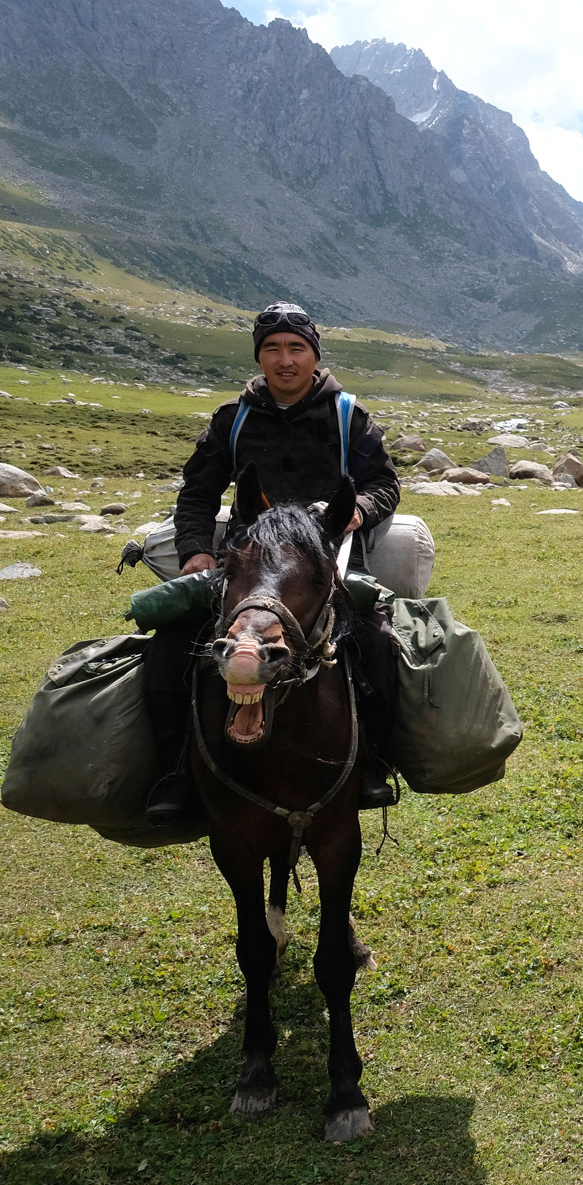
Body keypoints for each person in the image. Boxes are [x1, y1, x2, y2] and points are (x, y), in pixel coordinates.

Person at [143, 302, 402, 825]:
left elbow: (385, 484)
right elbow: (197, 493)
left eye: (296, 348)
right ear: (259, 357)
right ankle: (177, 772)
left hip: (318, 561)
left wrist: (356, 514)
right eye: (273, 349)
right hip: (247, 563)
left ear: (314, 354)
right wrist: (196, 549)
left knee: (375, 640)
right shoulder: (232, 419)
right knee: (170, 648)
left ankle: (372, 760)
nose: (285, 361)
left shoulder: (347, 415)